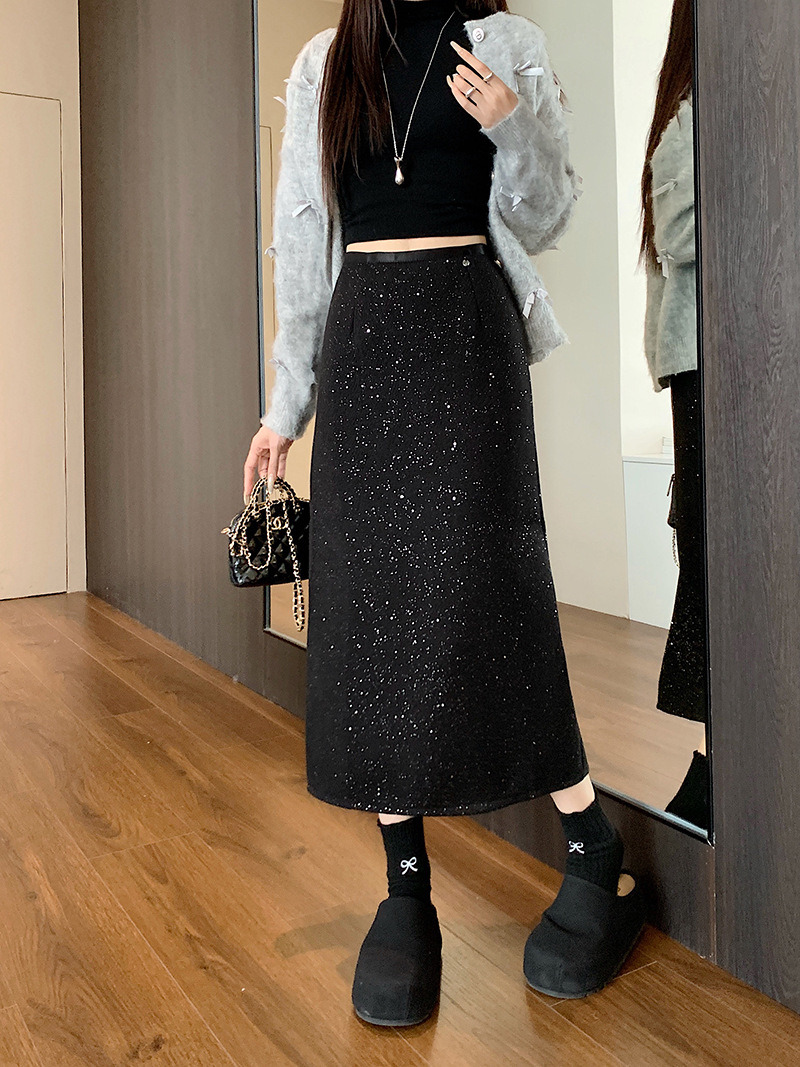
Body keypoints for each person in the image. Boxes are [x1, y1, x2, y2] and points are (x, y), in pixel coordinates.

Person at [244, 0, 645, 1025]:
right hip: (364, 339)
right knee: (373, 610)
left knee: (496, 588)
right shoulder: (326, 62)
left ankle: (593, 843)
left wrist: (517, 126)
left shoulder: (504, 43)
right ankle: (405, 883)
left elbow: (545, 215)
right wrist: (285, 406)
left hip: (468, 329)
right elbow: (302, 237)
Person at [641, 0, 710, 830]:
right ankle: (716, 762)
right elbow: (681, 236)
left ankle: (719, 764)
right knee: (707, 557)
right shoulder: (690, 109)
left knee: (715, 557)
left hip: (719, 364)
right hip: (703, 366)